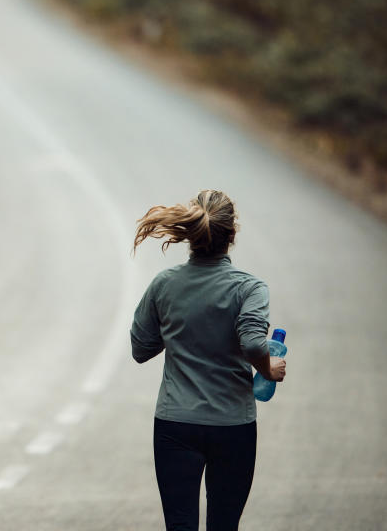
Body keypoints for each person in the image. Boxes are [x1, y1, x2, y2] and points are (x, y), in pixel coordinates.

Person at [130, 190, 286, 531]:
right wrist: (268, 369)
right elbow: (252, 342)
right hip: (233, 426)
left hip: (175, 425)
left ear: (192, 236)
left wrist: (177, 326)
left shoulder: (164, 285)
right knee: (224, 525)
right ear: (231, 236)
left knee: (180, 524)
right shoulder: (249, 289)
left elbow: (140, 348)